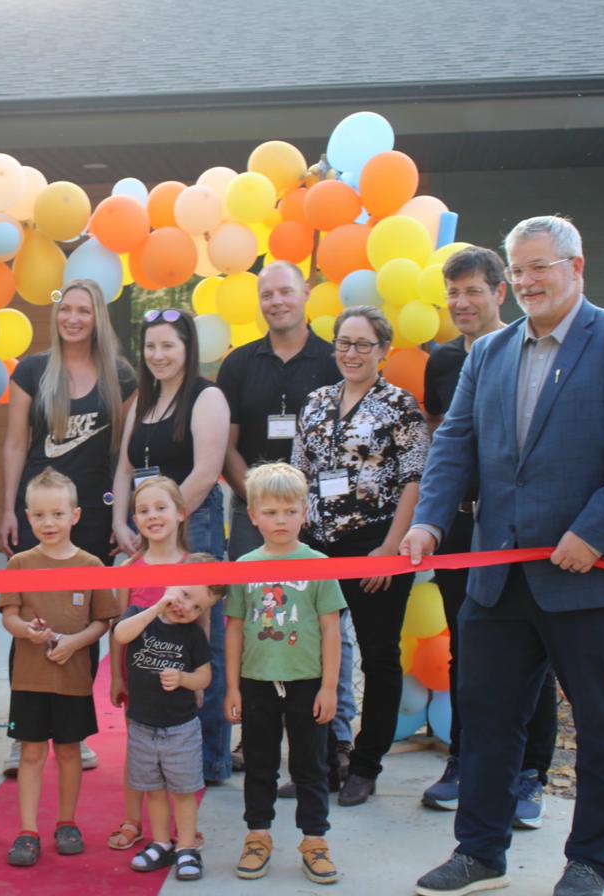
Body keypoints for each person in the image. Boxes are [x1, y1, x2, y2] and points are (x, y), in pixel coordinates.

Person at [405, 216, 604, 896]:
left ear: (575, 266)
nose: (525, 282)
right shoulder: (488, 355)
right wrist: (431, 522)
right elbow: (455, 447)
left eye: (538, 268)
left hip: (598, 579)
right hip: (499, 579)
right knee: (488, 719)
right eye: (517, 271)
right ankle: (480, 852)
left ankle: (590, 863)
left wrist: (594, 533)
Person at [419, 247, 558, 828]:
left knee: (535, 652)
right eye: (453, 293)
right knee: (466, 649)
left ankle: (530, 775)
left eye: (474, 291)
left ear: (501, 293)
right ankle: (464, 760)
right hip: (461, 528)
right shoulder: (443, 362)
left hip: (518, 532)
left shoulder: (532, 350)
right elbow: (444, 444)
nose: (462, 303)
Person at [218, 261, 355, 791]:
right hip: (255, 515)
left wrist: (304, 505)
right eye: (267, 293)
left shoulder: (331, 359)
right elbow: (227, 442)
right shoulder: (238, 364)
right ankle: (255, 732)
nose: (276, 301)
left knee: (325, 625)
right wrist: (255, 497)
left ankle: (333, 735)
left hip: (317, 514)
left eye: (285, 292)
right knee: (257, 620)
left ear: (307, 295)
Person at [289, 305, 429, 808]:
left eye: (363, 345)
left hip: (374, 544)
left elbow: (415, 480)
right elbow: (298, 470)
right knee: (311, 656)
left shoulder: (400, 405)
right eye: (343, 343)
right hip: (318, 548)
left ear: (384, 351)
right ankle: (325, 760)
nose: (351, 353)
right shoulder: (316, 402)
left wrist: (389, 550)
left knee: (378, 656)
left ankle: (366, 766)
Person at [0, 278, 134, 775]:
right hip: (40, 511)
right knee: (29, 619)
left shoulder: (120, 375)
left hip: (92, 514)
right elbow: (15, 443)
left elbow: (123, 455)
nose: (73, 318)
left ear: (98, 316)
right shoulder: (34, 370)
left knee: (83, 622)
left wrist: (120, 516)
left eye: (83, 310)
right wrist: (10, 509)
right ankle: (23, 732)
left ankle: (75, 727)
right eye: (66, 309)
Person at [111, 307, 233, 785]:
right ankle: (160, 754)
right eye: (151, 346)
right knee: (155, 634)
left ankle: (209, 759)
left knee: (201, 638)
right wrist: (126, 523)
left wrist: (166, 525)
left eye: (169, 345)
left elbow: (205, 472)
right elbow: (124, 469)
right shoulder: (141, 399)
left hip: (192, 526)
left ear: (187, 350)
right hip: (148, 530)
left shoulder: (207, 397)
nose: (158, 355)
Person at [223, 462, 345, 884]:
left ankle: (315, 840)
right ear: (253, 515)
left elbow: (332, 629)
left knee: (310, 767)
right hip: (257, 683)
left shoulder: (319, 564)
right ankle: (258, 836)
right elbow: (235, 627)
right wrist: (233, 687)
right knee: (259, 764)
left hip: (307, 683)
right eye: (271, 512)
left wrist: (330, 687)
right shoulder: (243, 565)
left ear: (304, 512)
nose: (281, 520)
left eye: (290, 511)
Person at [0, 468, 115, 867]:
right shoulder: (19, 565)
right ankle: (27, 831)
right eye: (40, 515)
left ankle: (68, 822)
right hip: (29, 679)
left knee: (68, 752)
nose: (49, 523)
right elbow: (9, 616)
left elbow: (103, 621)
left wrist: (74, 643)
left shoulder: (93, 566)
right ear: (28, 517)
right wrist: (29, 632)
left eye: (57, 514)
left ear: (75, 515)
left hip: (74, 679)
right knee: (31, 753)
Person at [108, 475, 189, 852]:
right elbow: (117, 628)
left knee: (180, 757)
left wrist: (197, 681)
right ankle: (132, 818)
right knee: (138, 752)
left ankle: (181, 828)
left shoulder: (195, 567)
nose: (152, 516)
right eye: (143, 510)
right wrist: (115, 678)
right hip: (138, 681)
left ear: (181, 514)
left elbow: (203, 634)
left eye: (161, 507)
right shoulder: (129, 569)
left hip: (180, 681)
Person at [114, 583, 215, 881]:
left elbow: (205, 677)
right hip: (142, 725)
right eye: (185, 596)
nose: (188, 609)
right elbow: (121, 634)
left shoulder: (193, 634)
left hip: (180, 728)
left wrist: (184, 678)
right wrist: (157, 608)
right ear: (171, 586)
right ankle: (160, 842)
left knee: (183, 791)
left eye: (198, 607)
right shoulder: (139, 616)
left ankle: (185, 847)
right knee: (153, 789)